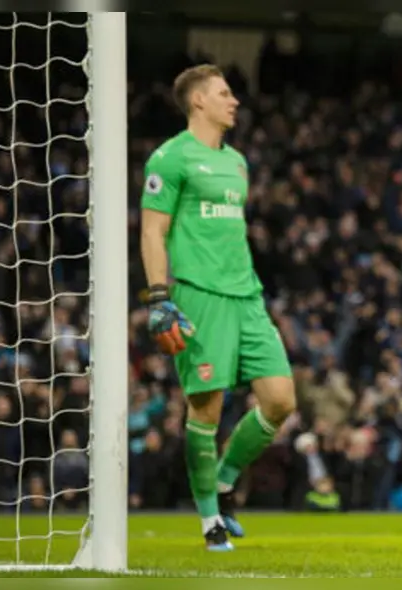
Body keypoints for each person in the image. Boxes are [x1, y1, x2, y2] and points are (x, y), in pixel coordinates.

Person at [139, 64, 297, 552]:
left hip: (246, 294)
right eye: (225, 94)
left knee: (281, 400)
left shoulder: (238, 163)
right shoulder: (170, 158)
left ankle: (225, 480)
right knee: (205, 409)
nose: (235, 101)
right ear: (199, 101)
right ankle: (210, 519)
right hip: (199, 295)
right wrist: (159, 296)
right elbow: (153, 231)